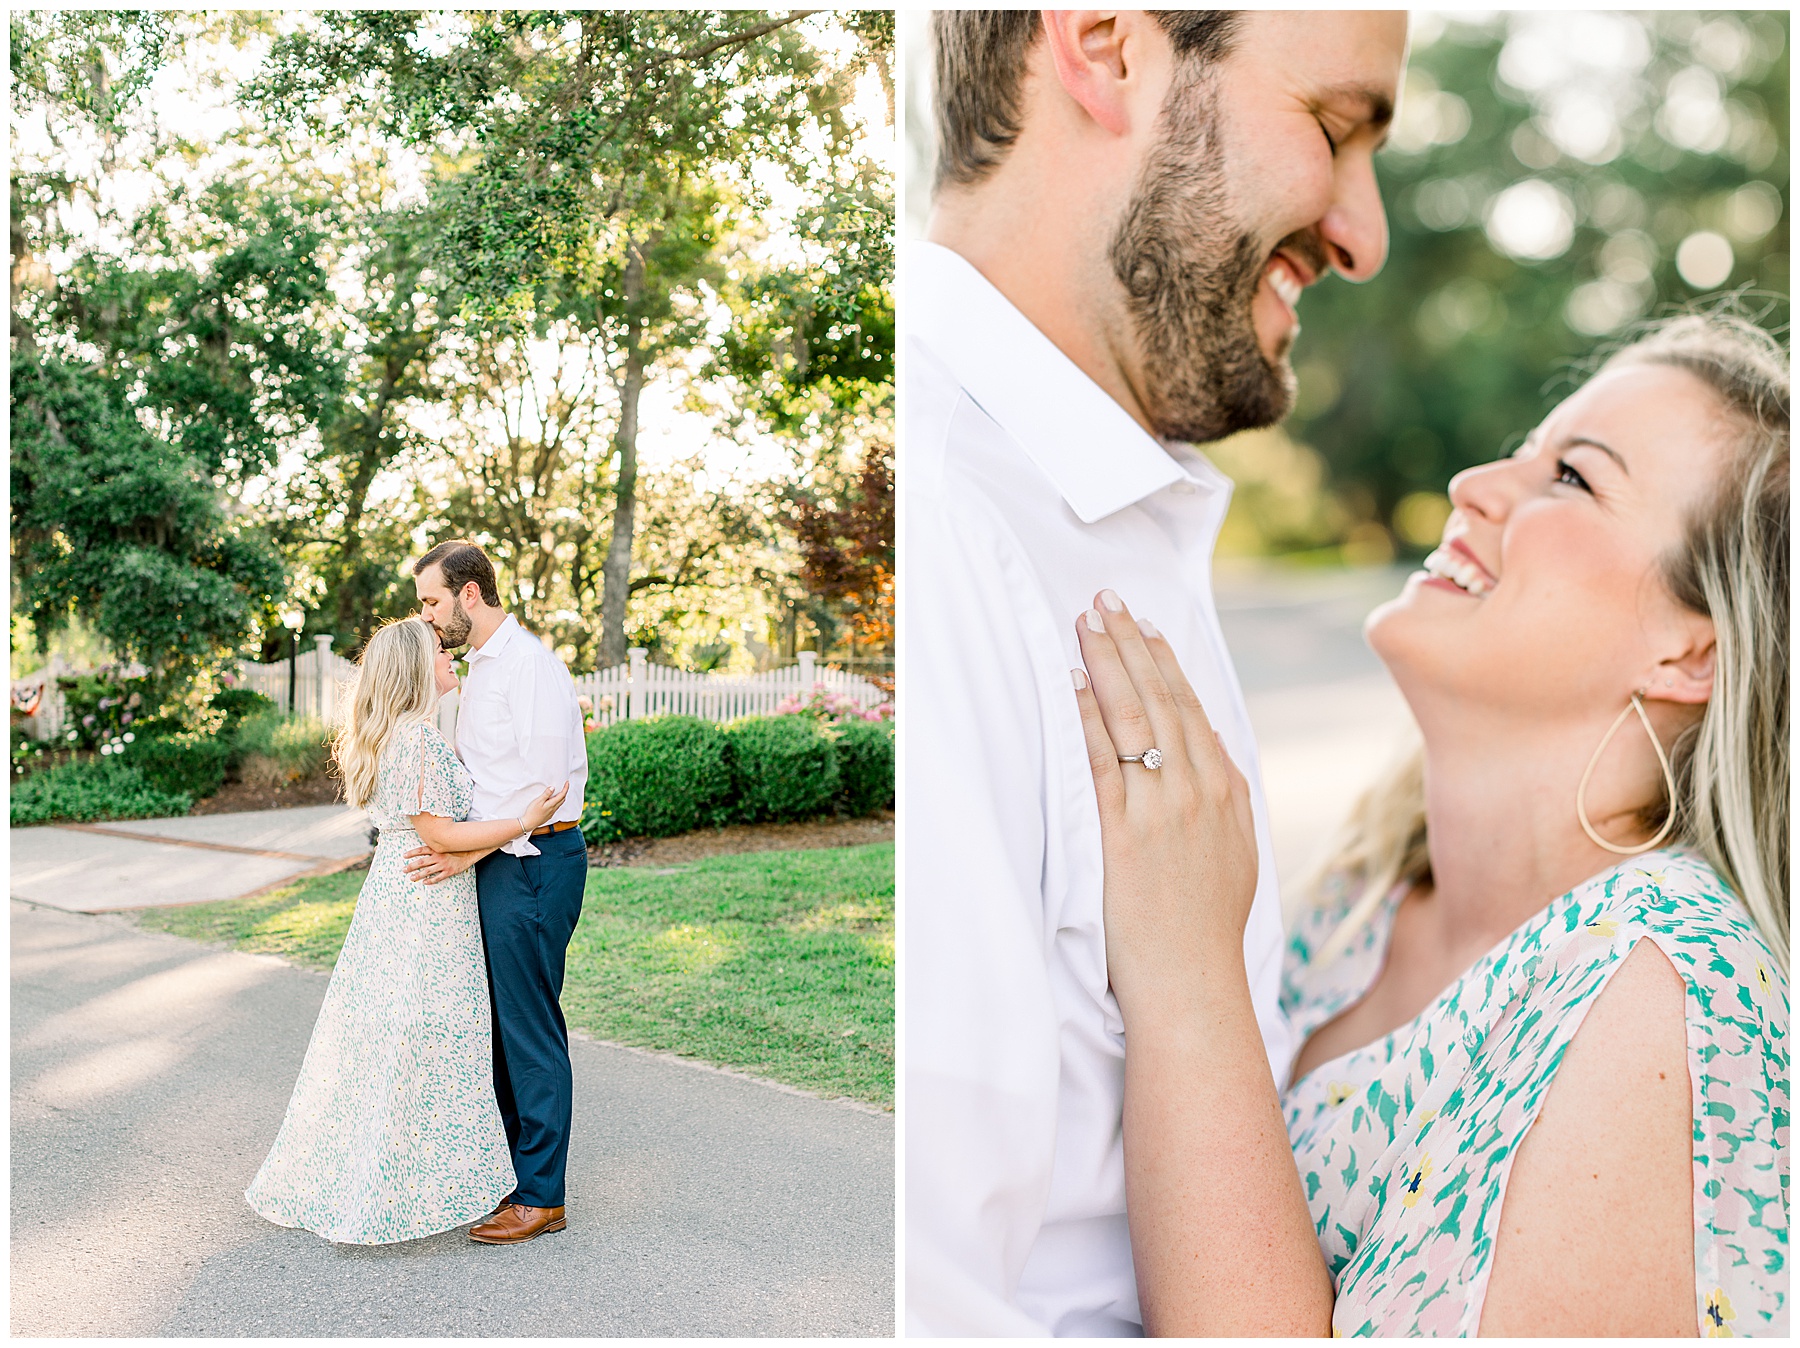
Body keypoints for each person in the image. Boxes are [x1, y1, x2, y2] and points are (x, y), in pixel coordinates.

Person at [1074, 315, 1789, 1335]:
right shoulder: (1364, 891)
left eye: (1572, 477)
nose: (1474, 485)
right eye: (1525, 451)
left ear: (1691, 654)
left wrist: (1187, 973)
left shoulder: (1663, 994)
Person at [905, 10, 1406, 1334]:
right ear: (1106, 46)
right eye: (1334, 127)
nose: (1364, 235)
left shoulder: (1108, 511)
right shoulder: (947, 532)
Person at [245, 617, 568, 1244]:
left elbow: (440, 836)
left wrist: (480, 845)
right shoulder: (418, 740)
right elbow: (440, 835)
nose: (452, 657)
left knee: (402, 1039)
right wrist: (521, 821)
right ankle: (398, 1182)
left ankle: (420, 1172)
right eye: (440, 651)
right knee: (422, 1040)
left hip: (405, 896)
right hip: (426, 908)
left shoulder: (404, 734)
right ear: (418, 668)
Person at [401, 540, 591, 1246]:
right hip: (501, 858)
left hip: (536, 860)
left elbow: (546, 790)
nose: (426, 615)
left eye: (432, 601)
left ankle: (542, 1197)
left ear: (470, 594)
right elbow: (483, 778)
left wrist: (466, 853)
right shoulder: (480, 667)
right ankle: (514, 1179)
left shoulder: (528, 666)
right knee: (502, 1027)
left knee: (530, 1027)